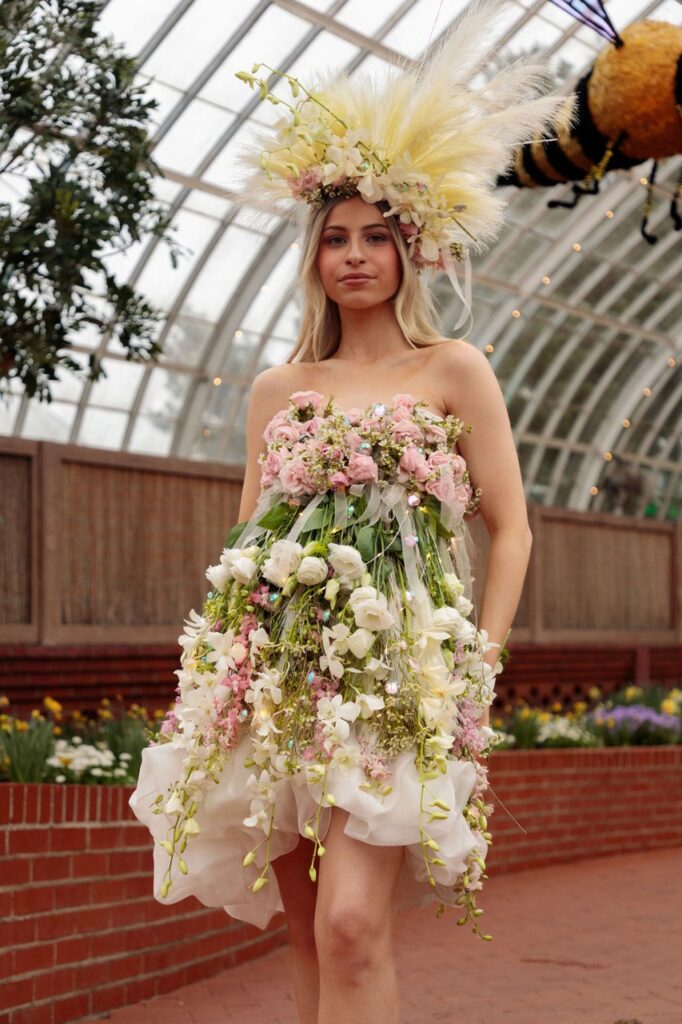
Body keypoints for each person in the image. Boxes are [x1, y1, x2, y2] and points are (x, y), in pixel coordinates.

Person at [129, 3, 570, 1021]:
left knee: (352, 925)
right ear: (314, 254)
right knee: (309, 927)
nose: (356, 255)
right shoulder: (278, 389)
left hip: (396, 678)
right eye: (336, 238)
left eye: (377, 235)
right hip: (274, 675)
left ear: (410, 249)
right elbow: (246, 541)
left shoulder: (453, 369)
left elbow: (512, 526)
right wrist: (217, 676)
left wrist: (476, 667)